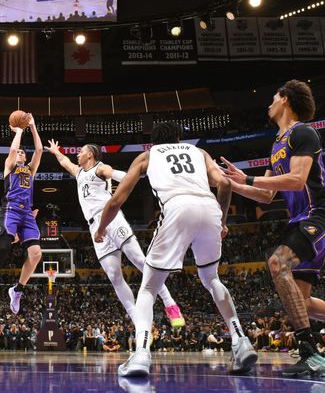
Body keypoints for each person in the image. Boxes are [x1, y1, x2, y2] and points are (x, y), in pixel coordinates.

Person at [220, 80, 325, 377]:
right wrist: (237, 182)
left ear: (286, 100)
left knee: (278, 262)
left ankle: (310, 353)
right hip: (300, 220)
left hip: (322, 213)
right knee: (300, 301)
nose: (269, 103)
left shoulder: (303, 133)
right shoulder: (277, 144)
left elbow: (296, 180)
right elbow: (266, 196)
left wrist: (249, 179)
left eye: (273, 97)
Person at [96, 122, 257, 377]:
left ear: (154, 141)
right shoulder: (200, 153)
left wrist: (101, 228)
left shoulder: (148, 155)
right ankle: (240, 340)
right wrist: (222, 222)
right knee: (211, 278)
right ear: (180, 138)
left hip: (177, 207)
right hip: (209, 207)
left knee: (149, 287)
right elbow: (224, 184)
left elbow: (116, 200)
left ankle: (141, 354)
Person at [47, 140, 185, 328]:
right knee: (114, 275)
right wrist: (56, 151)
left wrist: (131, 176)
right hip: (94, 226)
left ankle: (170, 304)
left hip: (111, 218)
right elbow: (64, 162)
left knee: (139, 260)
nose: (77, 155)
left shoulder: (101, 168)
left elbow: (115, 174)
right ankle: (139, 322)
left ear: (90, 155)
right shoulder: (79, 172)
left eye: (81, 152)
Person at [0, 115, 44, 315]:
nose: (18, 153)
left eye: (21, 152)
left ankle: (17, 290)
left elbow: (40, 150)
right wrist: (19, 131)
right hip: (10, 209)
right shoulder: (10, 167)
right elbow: (11, 150)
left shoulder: (30, 169)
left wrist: (33, 128)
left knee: (36, 254)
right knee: (6, 245)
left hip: (26, 212)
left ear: (25, 157)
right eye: (17, 151)